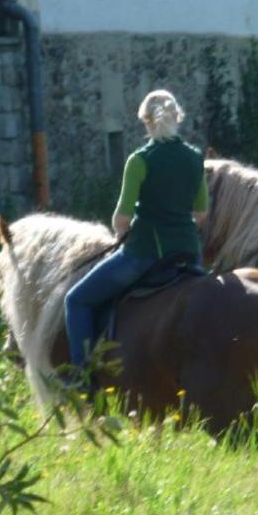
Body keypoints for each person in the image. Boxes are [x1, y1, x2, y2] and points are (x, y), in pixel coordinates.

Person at [64, 89, 209, 376]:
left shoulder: (140, 160)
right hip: (189, 254)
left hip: (144, 253)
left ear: (146, 122)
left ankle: (80, 376)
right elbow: (202, 213)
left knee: (76, 300)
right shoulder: (194, 158)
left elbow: (122, 217)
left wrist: (121, 232)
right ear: (177, 118)